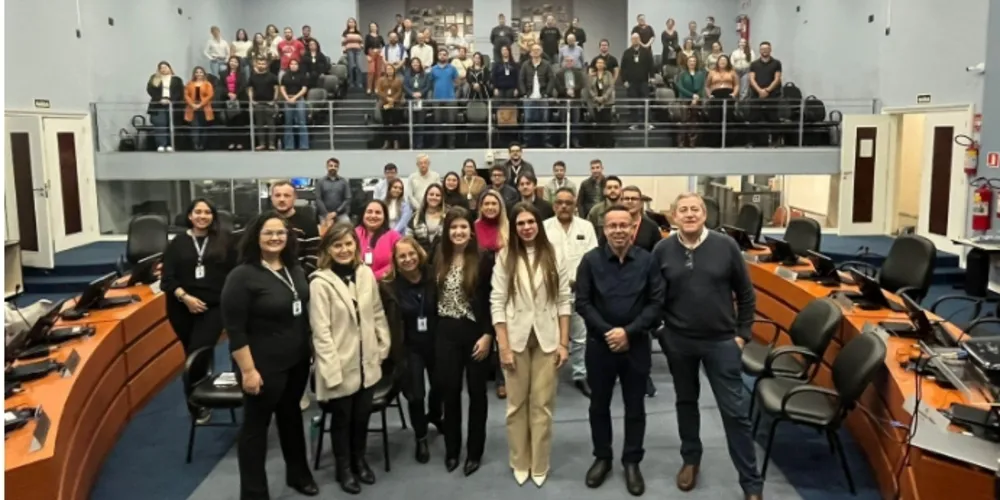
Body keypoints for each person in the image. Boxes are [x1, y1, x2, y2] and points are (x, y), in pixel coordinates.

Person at [652, 193, 763, 500]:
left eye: (695, 209)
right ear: (674, 216)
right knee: (686, 403)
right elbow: (654, 295)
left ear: (704, 214)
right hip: (679, 342)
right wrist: (660, 331)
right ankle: (691, 459)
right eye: (683, 210)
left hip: (721, 342)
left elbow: (746, 294)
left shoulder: (726, 246)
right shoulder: (662, 250)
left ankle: (751, 484)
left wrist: (742, 335)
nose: (689, 214)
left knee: (735, 413)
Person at [221, 212, 318, 499]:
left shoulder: (293, 268)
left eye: (280, 233)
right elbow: (235, 330)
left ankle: (298, 475)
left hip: (296, 361)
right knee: (255, 430)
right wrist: (248, 371)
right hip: (261, 366)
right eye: (268, 233)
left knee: (291, 418)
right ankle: (254, 493)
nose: (275, 238)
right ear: (256, 237)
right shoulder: (242, 276)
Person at [576, 205, 665, 497]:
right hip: (600, 346)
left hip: (636, 345)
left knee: (635, 407)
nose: (618, 230)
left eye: (623, 225)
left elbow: (656, 303)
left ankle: (631, 461)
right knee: (598, 405)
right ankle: (602, 457)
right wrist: (608, 332)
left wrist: (629, 332)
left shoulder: (648, 261)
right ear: (604, 230)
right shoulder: (590, 261)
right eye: (612, 225)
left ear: (632, 228)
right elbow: (583, 303)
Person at [491, 202, 571, 487]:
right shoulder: (505, 257)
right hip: (515, 340)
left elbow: (564, 301)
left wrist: (564, 343)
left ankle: (539, 462)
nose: (526, 228)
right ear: (514, 228)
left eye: (530, 222)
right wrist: (503, 347)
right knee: (516, 405)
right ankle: (519, 460)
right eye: (520, 223)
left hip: (548, 339)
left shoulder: (555, 254)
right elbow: (497, 303)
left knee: (542, 404)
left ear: (539, 224)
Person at [309, 223, 392, 494]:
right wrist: (331, 369)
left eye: (348, 244)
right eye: (337, 245)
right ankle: (343, 467)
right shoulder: (320, 282)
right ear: (328, 249)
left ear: (356, 246)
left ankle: (359, 460)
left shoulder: (365, 273)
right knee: (342, 420)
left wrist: (383, 345)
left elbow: (377, 311)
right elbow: (321, 332)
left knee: (361, 416)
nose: (344, 250)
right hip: (339, 362)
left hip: (367, 360)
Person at [160, 198, 235, 422]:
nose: (202, 216)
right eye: (198, 212)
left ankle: (196, 402)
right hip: (181, 307)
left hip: (213, 307)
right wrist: (186, 298)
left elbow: (234, 273)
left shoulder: (225, 240)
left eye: (207, 212)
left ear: (213, 216)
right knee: (191, 352)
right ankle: (201, 392)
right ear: (190, 216)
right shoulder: (177, 243)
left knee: (198, 352)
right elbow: (167, 279)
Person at [434, 207, 495, 476]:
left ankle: (474, 452)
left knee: (477, 394)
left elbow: (493, 299)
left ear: (471, 231)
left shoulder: (483, 258)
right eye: (453, 227)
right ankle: (452, 449)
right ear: (447, 231)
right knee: (450, 392)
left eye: (463, 227)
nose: (458, 232)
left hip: (475, 332)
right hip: (445, 332)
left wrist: (488, 334)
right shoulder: (438, 256)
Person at [379, 237, 443, 464]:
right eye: (402, 256)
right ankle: (421, 436)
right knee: (416, 394)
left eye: (411, 254)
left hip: (435, 342)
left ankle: (434, 415)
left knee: (441, 386)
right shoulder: (388, 286)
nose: (408, 259)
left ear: (419, 253)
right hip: (408, 347)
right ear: (395, 260)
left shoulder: (434, 276)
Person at [543, 188, 597, 396]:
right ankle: (548, 376)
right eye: (560, 202)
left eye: (568, 203)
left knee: (581, 336)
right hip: (550, 291)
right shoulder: (544, 227)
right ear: (554, 205)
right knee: (550, 336)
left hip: (579, 290)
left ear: (575, 205)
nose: (564, 206)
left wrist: (581, 282)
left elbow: (592, 258)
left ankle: (580, 374)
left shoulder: (586, 227)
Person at [355, 200, 402, 279]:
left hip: (385, 281)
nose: (373, 215)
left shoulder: (394, 236)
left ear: (384, 216)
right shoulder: (353, 234)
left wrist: (374, 277)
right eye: (369, 212)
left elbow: (398, 261)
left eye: (378, 213)